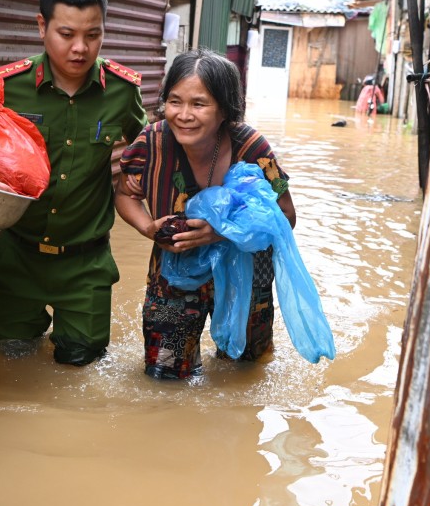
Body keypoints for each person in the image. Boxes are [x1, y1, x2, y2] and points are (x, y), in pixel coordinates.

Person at [0, 0, 147, 365]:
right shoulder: (4, 87)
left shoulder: (122, 91)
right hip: (17, 257)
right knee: (9, 359)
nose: (80, 48)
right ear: (41, 26)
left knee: (81, 364)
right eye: (66, 34)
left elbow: (148, 146)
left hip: (86, 264)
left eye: (93, 35)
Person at [115, 48, 296, 380]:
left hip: (246, 277)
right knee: (165, 375)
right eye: (174, 101)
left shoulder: (254, 149)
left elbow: (285, 216)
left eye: (199, 104)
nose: (183, 114)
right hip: (174, 271)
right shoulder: (152, 142)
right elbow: (125, 194)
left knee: (244, 372)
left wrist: (220, 232)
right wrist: (147, 227)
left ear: (225, 109)